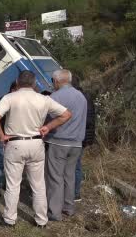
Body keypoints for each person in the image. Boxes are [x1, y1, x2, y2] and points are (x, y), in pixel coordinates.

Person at [0, 70, 71, 228]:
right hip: (36, 144)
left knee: (13, 184)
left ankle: (9, 219)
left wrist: (1, 136)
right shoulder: (44, 99)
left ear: (17, 81)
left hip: (15, 143)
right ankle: (41, 220)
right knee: (38, 185)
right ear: (34, 83)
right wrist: (48, 127)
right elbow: (66, 114)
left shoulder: (9, 98)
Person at [45, 69, 87, 221]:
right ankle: (68, 208)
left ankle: (54, 212)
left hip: (58, 141)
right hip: (76, 143)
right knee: (69, 176)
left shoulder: (55, 97)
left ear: (56, 81)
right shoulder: (81, 96)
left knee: (55, 177)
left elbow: (47, 120)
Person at [71, 75, 96, 202]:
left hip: (77, 137)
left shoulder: (77, 98)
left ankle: (73, 193)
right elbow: (91, 119)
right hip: (84, 137)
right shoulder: (86, 96)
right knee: (77, 165)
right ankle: (76, 193)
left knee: (74, 165)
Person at [0, 82, 18, 197]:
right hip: (4, 136)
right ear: (13, 89)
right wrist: (1, 136)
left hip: (15, 138)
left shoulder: (16, 101)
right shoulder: (4, 100)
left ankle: (5, 184)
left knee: (12, 164)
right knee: (1, 162)